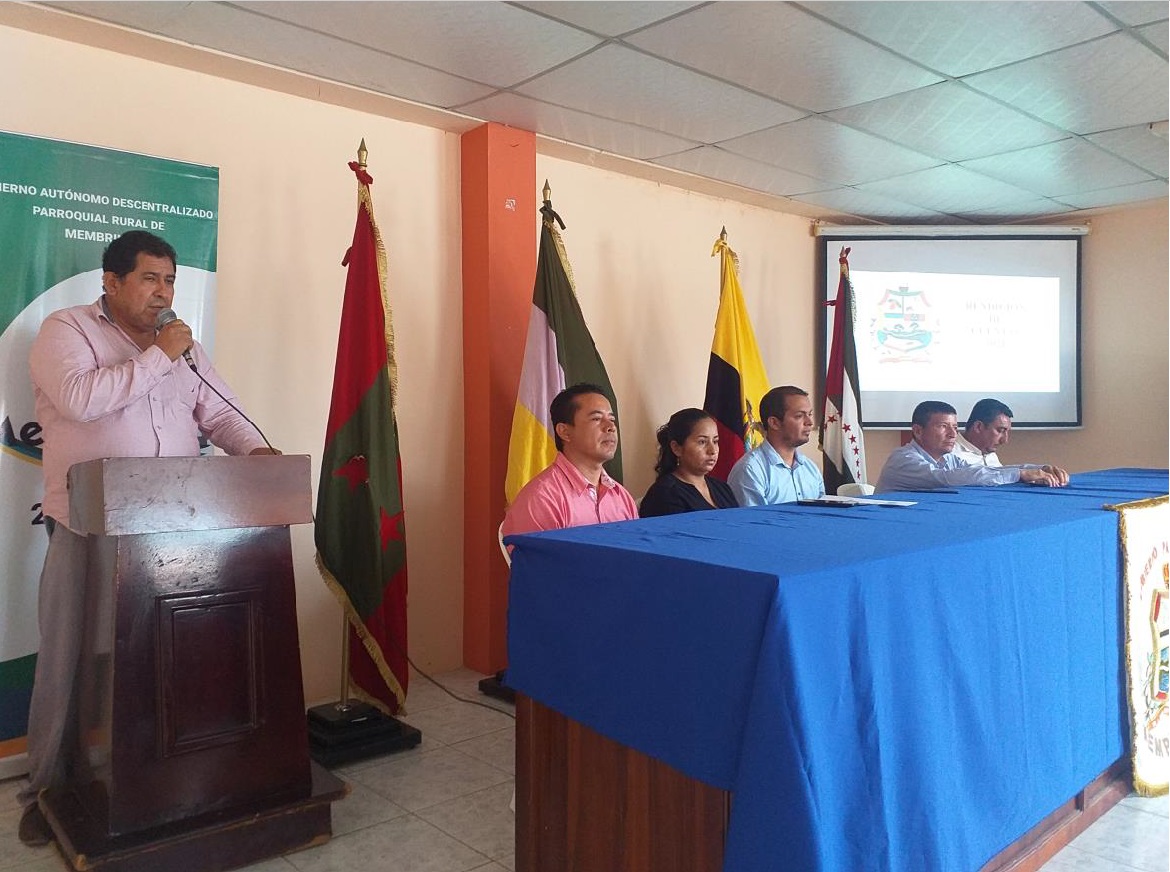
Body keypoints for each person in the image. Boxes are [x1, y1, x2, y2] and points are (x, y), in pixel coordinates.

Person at [17, 231, 278, 847]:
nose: (163, 292)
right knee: (71, 658)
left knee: (160, 655)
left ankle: (154, 777)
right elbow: (81, 401)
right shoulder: (68, 331)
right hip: (88, 524)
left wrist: (258, 453)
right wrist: (160, 355)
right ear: (111, 282)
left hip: (173, 527)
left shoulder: (184, 347)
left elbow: (220, 412)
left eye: (170, 280)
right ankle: (50, 790)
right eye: (149, 279)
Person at [502, 382, 638, 536]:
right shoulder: (541, 499)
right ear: (565, 432)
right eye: (596, 419)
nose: (610, 427)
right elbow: (532, 553)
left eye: (612, 419)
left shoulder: (622, 497)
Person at [876, 400, 1063, 493]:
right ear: (918, 431)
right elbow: (945, 479)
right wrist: (1020, 474)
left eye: (955, 427)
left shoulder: (948, 459)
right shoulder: (903, 459)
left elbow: (981, 470)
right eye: (943, 427)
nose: (952, 434)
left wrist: (1037, 469)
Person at [727, 385, 825, 506]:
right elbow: (754, 517)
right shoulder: (750, 470)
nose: (810, 422)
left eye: (810, 414)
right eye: (799, 416)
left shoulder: (810, 468)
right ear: (774, 423)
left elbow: (822, 512)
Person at [640, 408, 738, 517]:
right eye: (702, 442)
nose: (712, 450)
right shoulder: (665, 494)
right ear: (676, 448)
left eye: (715, 441)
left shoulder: (722, 488)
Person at [953, 398, 1070, 484]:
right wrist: (1021, 474)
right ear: (978, 427)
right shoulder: (950, 452)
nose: (1005, 440)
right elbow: (975, 476)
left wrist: (1040, 470)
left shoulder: (987, 451)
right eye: (1000, 431)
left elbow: (999, 473)